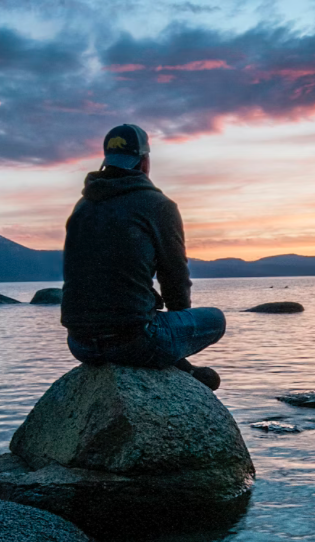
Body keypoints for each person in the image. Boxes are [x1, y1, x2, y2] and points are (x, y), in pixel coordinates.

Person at [61, 123, 225, 390]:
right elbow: (174, 277)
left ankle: (177, 364)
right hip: (134, 342)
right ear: (144, 162)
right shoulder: (157, 206)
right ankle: (178, 365)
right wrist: (176, 332)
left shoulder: (82, 207)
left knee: (143, 315)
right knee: (215, 319)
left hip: (80, 344)